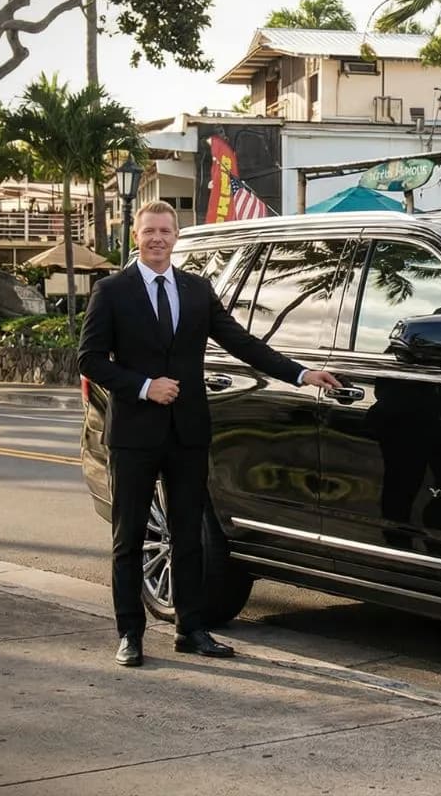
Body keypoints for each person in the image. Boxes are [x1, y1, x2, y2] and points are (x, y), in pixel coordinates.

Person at [78, 200, 340, 668]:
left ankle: (191, 629)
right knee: (130, 536)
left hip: (188, 433)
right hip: (135, 435)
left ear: (176, 237)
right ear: (134, 236)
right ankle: (130, 633)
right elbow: (89, 360)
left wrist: (300, 374)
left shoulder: (196, 290)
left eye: (166, 231)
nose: (158, 238)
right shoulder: (111, 291)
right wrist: (143, 386)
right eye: (149, 231)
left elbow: (242, 342)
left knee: (189, 535)